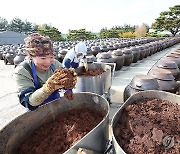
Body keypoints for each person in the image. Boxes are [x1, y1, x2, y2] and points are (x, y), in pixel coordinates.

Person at [13, 33, 76, 111]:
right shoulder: (22, 71)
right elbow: (29, 101)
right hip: (37, 111)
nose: (48, 62)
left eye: (51, 57)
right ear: (31, 56)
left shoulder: (55, 64)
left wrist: (69, 88)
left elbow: (66, 78)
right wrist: (48, 88)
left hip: (55, 103)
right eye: (43, 58)